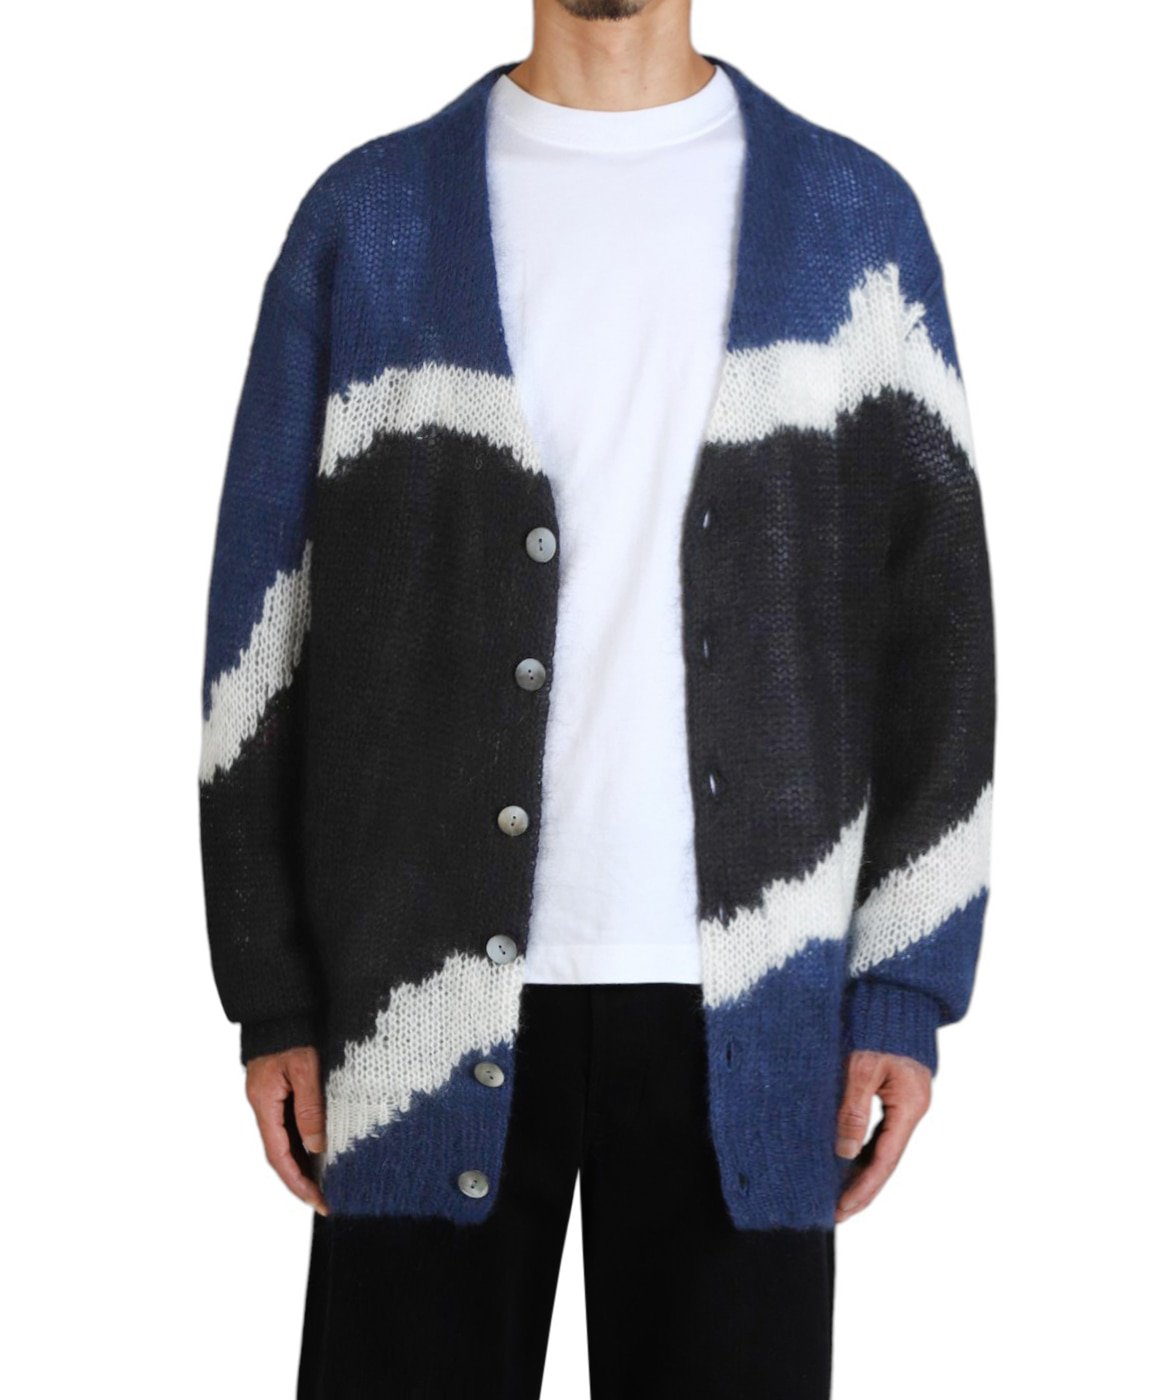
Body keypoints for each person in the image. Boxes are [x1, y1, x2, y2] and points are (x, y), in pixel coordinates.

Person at [197, 1, 996, 1395]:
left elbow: (940, 641)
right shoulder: (367, 223)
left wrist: (904, 985)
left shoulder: (854, 222)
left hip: (757, 1006)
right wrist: (271, 991)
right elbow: (263, 628)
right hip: (411, 1005)